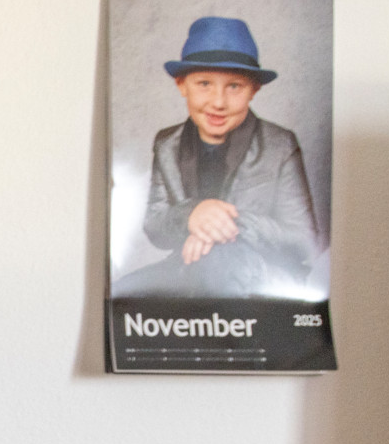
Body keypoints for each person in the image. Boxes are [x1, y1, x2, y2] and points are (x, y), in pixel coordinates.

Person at [113, 15, 322, 297]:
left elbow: (303, 242)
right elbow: (156, 226)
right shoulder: (167, 144)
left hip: (262, 273)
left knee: (218, 266)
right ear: (181, 85)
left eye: (234, 86)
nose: (219, 102)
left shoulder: (279, 145)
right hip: (190, 264)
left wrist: (226, 224)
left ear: (254, 90)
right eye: (204, 84)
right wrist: (192, 214)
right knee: (123, 294)